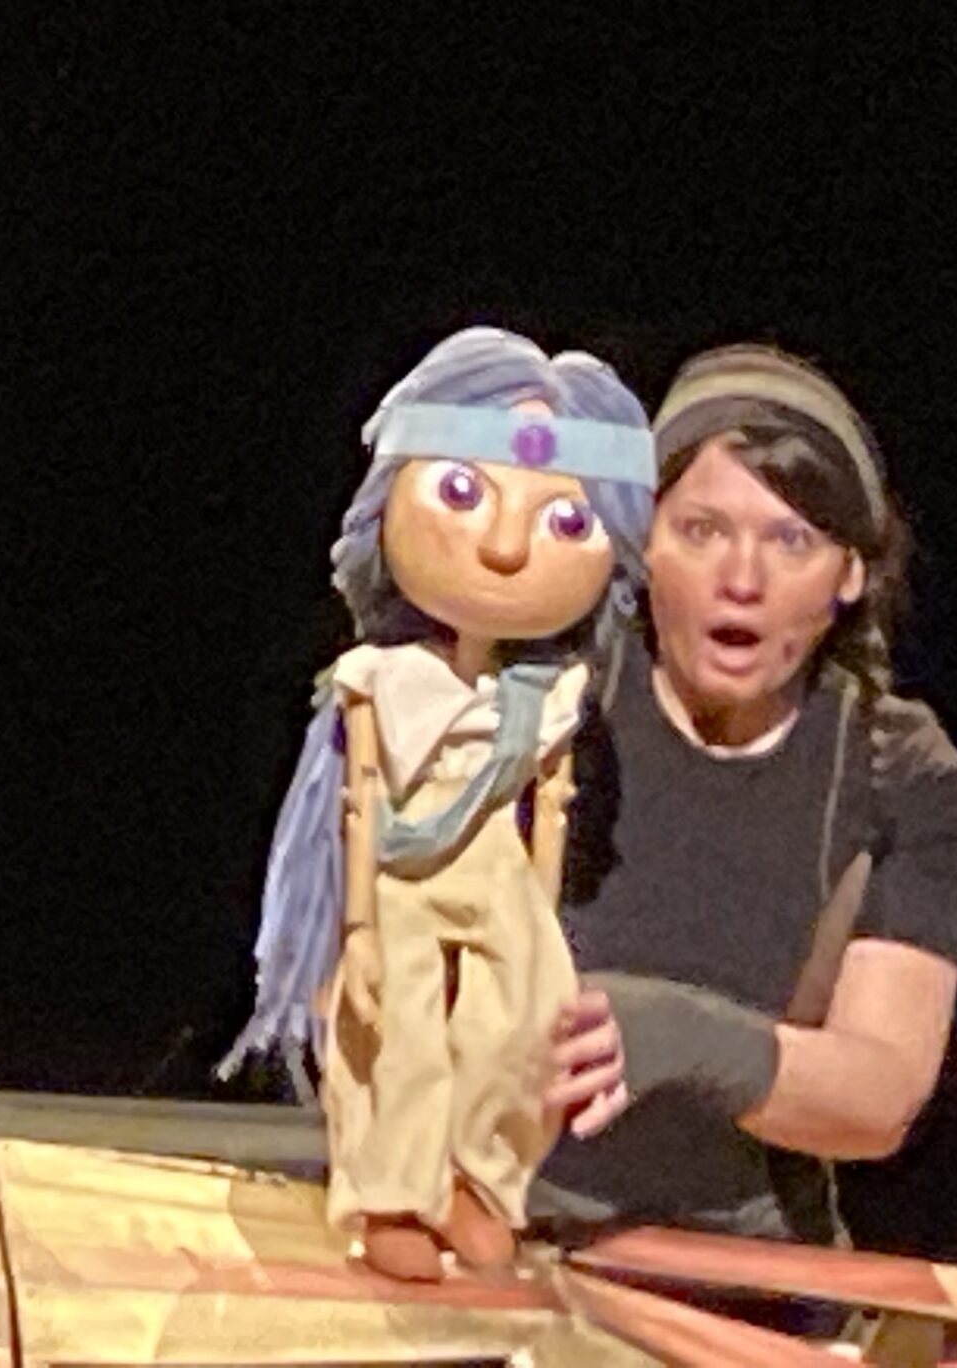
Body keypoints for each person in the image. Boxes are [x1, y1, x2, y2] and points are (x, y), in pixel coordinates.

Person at [222, 327, 654, 1280]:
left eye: (565, 520)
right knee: (401, 1031)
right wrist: (357, 926)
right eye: (462, 493)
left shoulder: (550, 695)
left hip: (499, 873)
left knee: (521, 1025)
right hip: (405, 874)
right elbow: (360, 798)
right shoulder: (381, 680)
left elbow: (550, 807)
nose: (503, 546)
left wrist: (541, 917)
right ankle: (394, 1193)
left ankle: (480, 1179)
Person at [543, 345, 957, 1242]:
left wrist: (682, 1038)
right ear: (643, 542)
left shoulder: (898, 775)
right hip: (502, 1234)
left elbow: (880, 1097)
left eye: (792, 541)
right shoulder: (548, 709)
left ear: (850, 574)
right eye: (702, 530)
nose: (742, 579)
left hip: (744, 1266)